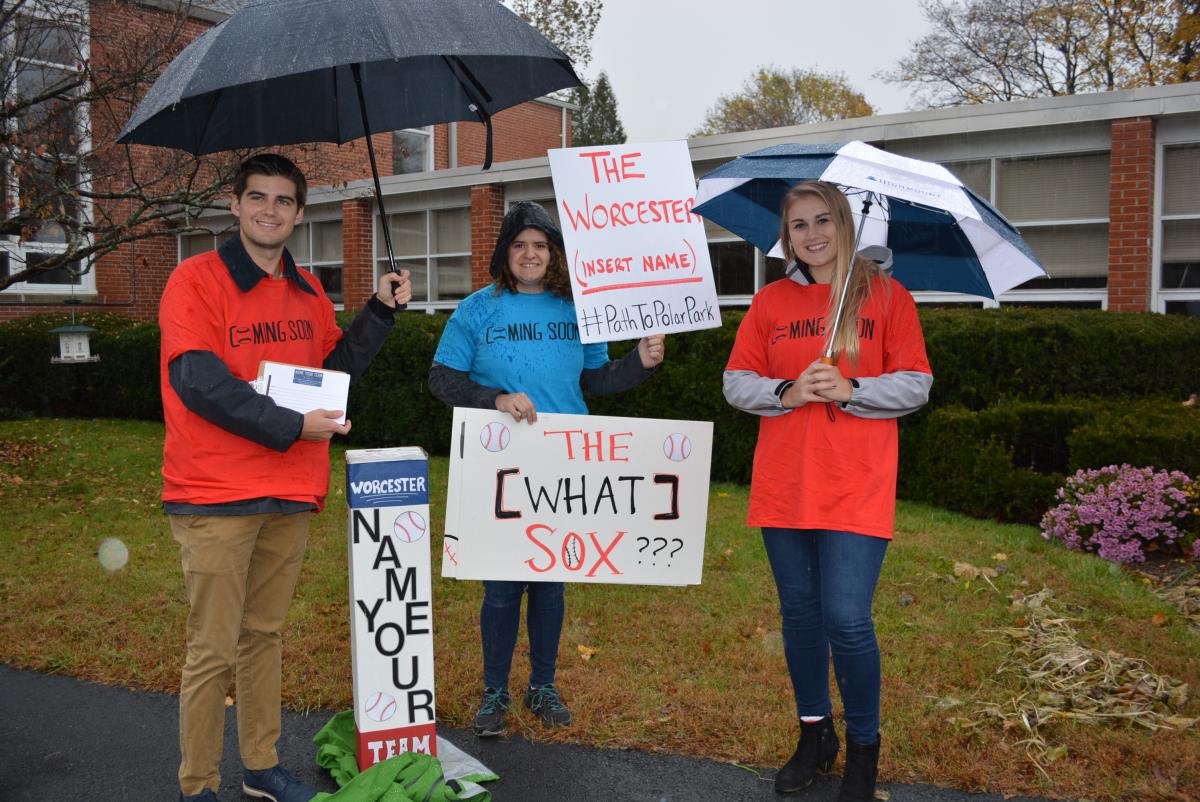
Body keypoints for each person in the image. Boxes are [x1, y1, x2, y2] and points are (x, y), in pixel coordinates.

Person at [159, 153, 412, 802]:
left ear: (299, 214)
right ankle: (197, 786)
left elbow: (333, 368)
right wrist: (290, 426)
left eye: (282, 201)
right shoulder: (196, 280)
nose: (269, 211)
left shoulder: (306, 293)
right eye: (257, 198)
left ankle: (260, 766)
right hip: (214, 494)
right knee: (212, 647)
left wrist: (379, 313)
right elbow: (198, 380)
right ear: (235, 205)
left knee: (263, 637)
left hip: (290, 491)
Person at [723, 181, 932, 801]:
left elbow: (917, 383)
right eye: (798, 226)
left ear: (844, 224)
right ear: (785, 237)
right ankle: (815, 733)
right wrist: (787, 392)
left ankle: (864, 745)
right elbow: (737, 382)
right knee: (801, 617)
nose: (811, 235)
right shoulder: (770, 303)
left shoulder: (889, 297)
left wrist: (853, 391)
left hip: (856, 483)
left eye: (822, 221)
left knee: (847, 617)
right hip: (786, 482)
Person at [428, 201, 665, 737]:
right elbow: (442, 379)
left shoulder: (578, 309)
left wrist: (642, 363)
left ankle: (543, 685)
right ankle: (495, 690)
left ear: (554, 254)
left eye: (540, 245)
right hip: (500, 462)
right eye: (519, 245)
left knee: (550, 582)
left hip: (564, 461)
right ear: (504, 253)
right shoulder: (476, 310)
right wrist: (495, 398)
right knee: (501, 586)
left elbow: (598, 380)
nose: (530, 254)